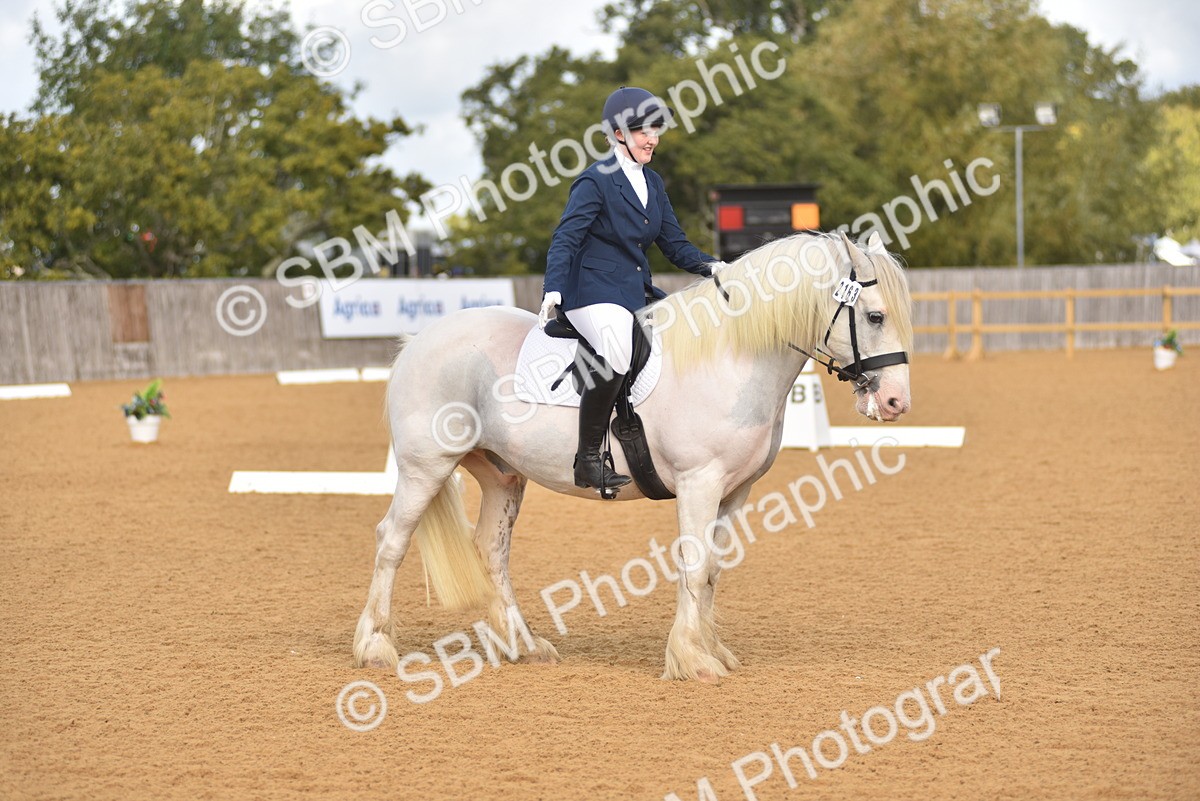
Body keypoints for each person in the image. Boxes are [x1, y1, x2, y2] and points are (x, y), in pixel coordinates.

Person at [540, 86, 725, 494]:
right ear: (619, 134)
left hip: (633, 290)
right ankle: (587, 459)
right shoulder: (595, 180)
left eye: (656, 129)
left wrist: (713, 266)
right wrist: (553, 288)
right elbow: (566, 238)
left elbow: (674, 245)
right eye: (643, 130)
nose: (653, 138)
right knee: (617, 348)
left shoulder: (653, 184)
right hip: (591, 290)